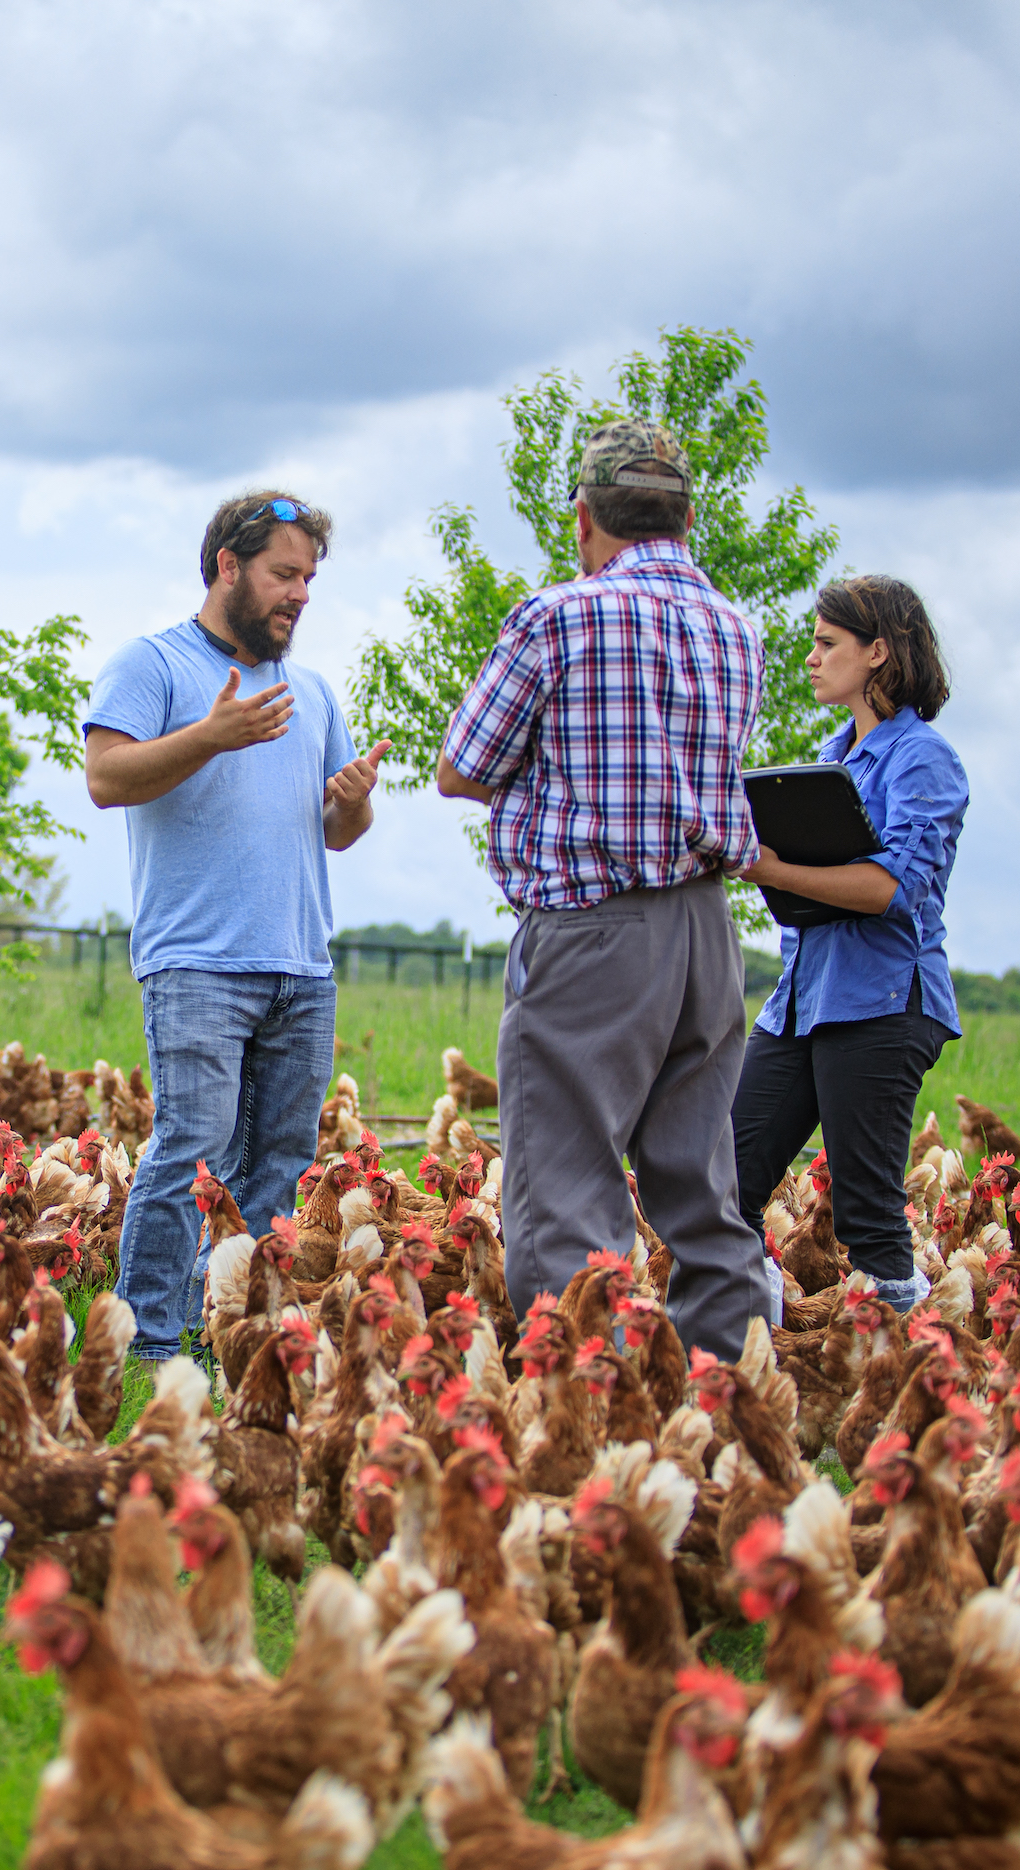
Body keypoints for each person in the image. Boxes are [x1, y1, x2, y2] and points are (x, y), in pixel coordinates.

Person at [434, 419, 769, 1361]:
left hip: (594, 924)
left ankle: (588, 1404)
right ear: (688, 517)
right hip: (708, 928)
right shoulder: (737, 629)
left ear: (585, 519)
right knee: (701, 1177)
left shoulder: (559, 617)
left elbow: (463, 765)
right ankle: (731, 1392)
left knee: (567, 1175)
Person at [83, 491, 390, 1360]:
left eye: (309, 579)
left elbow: (335, 833)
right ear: (228, 565)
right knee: (191, 1149)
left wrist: (353, 803)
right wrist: (211, 736)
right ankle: (145, 1341)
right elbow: (107, 778)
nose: (300, 594)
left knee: (284, 1161)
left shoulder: (313, 691)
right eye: (284, 574)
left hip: (302, 964)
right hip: (197, 963)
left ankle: (238, 1335)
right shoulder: (154, 664)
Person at [730, 576, 967, 1319]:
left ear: (878, 653)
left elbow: (891, 888)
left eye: (827, 643)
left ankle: (923, 1362)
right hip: (804, 999)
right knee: (725, 1177)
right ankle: (761, 1322)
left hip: (884, 1001)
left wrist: (769, 866)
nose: (811, 657)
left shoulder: (922, 758)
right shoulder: (832, 754)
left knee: (865, 1216)